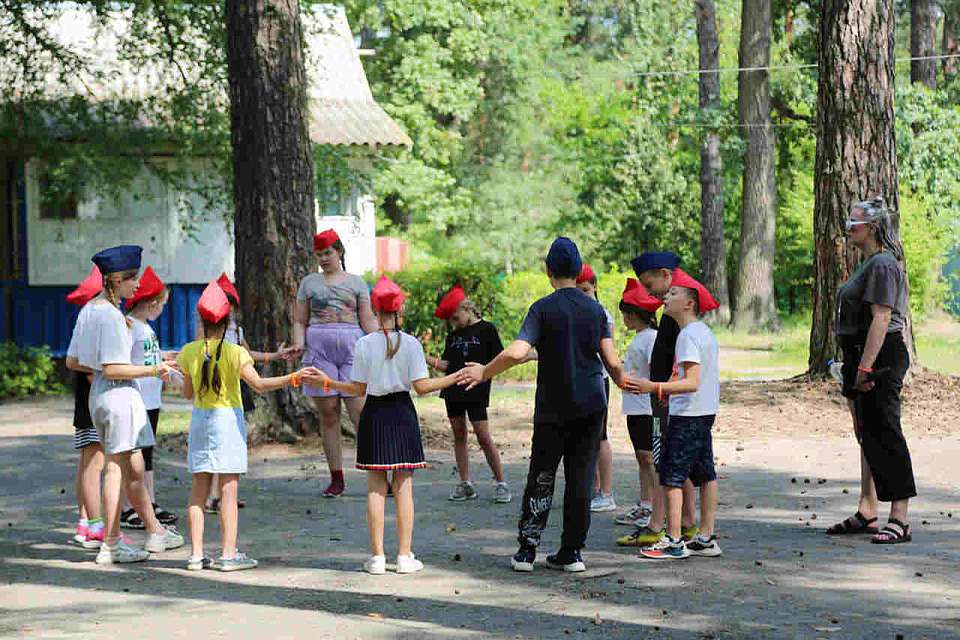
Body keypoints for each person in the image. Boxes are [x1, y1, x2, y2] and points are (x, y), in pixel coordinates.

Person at [459, 237, 624, 574]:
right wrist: (626, 382)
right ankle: (572, 552)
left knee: (542, 474)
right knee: (581, 477)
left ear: (548, 271)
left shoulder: (542, 308)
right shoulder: (595, 310)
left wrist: (485, 371)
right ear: (579, 271)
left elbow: (518, 351)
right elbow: (611, 360)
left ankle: (527, 551)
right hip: (592, 404)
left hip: (553, 406)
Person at [317, 276, 461, 575]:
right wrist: (456, 376)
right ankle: (405, 556)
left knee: (376, 488)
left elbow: (357, 389)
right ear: (400, 311)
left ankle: (377, 558)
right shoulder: (411, 344)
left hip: (374, 414)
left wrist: (329, 382)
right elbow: (422, 387)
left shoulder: (363, 344)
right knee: (404, 487)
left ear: (373, 310)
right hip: (402, 414)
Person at [178, 280, 321, 571]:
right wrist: (292, 378)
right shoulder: (236, 352)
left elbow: (188, 393)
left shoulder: (189, 352)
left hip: (200, 422)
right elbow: (259, 385)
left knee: (198, 493)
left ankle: (195, 555)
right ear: (227, 321)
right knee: (228, 493)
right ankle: (228, 555)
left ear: (201, 320)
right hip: (227, 423)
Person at [66, 245, 184, 564]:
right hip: (119, 396)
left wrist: (104, 368)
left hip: (102, 396)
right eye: (133, 279)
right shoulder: (112, 316)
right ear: (117, 280)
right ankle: (112, 544)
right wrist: (155, 369)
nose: (137, 285)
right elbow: (113, 368)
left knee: (134, 466)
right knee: (116, 469)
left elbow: (72, 361)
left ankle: (155, 531)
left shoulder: (90, 310)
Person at [826, 197, 915, 544]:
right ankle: (868, 510)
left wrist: (865, 367)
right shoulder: (869, 263)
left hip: (880, 356)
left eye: (855, 223)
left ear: (874, 227)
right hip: (861, 355)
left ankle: (900, 518)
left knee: (886, 431)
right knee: (867, 433)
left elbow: (882, 317)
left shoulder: (883, 264)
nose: (849, 228)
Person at [625, 270, 723, 560]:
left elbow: (692, 382)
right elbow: (692, 377)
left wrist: (654, 387)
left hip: (688, 415)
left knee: (671, 476)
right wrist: (668, 389)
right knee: (706, 473)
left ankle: (674, 541)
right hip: (704, 412)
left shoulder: (687, 336)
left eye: (673, 294)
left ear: (689, 303)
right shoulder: (703, 332)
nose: (666, 297)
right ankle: (705, 538)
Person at [617, 253, 701, 548]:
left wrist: (663, 389)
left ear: (666, 275)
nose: (649, 292)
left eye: (649, 284)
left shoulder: (677, 315)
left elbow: (682, 359)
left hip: (665, 397)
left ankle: (657, 525)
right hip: (663, 396)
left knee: (662, 462)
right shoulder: (671, 312)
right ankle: (686, 522)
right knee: (673, 460)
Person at [291, 229, 379, 498]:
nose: (324, 259)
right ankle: (336, 478)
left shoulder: (357, 282)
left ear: (339, 251)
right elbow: (300, 320)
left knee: (361, 413)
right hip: (320, 350)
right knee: (329, 413)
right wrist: (298, 343)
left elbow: (367, 318)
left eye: (328, 253)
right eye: (319, 254)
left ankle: (379, 473)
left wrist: (383, 340)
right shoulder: (309, 283)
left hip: (353, 348)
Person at [202, 272, 289, 513]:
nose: (227, 309)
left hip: (236, 389)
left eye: (230, 304)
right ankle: (212, 495)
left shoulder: (237, 332)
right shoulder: (206, 332)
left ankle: (224, 495)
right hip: (214, 392)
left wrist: (273, 356)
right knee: (215, 445)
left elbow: (247, 355)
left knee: (231, 443)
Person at [426, 284, 511, 503]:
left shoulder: (487, 329)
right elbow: (447, 364)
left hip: (476, 389)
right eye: (451, 321)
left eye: (456, 318)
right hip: (453, 390)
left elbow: (499, 359)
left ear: (466, 309)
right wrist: (425, 357)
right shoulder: (453, 336)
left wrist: (485, 372)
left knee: (483, 435)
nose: (454, 323)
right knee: (459, 434)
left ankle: (501, 483)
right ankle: (465, 483)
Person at [119, 266, 178, 529]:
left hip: (152, 400)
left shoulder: (145, 328)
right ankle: (127, 508)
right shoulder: (130, 326)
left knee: (147, 453)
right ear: (152, 303)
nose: (163, 309)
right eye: (163, 304)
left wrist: (164, 356)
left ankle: (149, 502)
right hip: (137, 399)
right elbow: (126, 361)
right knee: (133, 456)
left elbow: (145, 356)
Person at [613, 279, 662, 531]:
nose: (624, 319)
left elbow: (657, 371)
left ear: (634, 315)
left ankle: (658, 508)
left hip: (647, 407)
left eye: (625, 314)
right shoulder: (640, 338)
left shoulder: (651, 338)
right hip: (634, 407)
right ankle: (645, 503)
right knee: (642, 458)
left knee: (649, 457)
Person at [66, 265, 106, 549]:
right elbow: (92, 370)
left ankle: (84, 520)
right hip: (93, 403)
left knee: (86, 464)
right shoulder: (94, 325)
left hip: (84, 403)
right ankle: (94, 525)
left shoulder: (84, 323)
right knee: (94, 464)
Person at [576, 264, 617, 514]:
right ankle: (593, 488)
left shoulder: (603, 314)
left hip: (598, 379)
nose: (582, 295)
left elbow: (606, 352)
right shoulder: (575, 312)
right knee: (584, 436)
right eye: (578, 291)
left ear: (595, 287)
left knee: (600, 436)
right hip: (578, 379)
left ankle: (607, 492)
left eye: (586, 290)